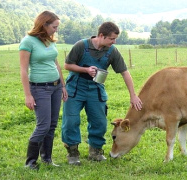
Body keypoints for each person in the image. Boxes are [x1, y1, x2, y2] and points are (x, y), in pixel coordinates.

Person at [61, 22, 142, 165]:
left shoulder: (112, 51)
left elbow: (125, 72)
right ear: (101, 36)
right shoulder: (81, 46)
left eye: (115, 39)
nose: (114, 42)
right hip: (75, 88)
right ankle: (73, 153)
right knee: (71, 121)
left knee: (100, 122)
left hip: (96, 89)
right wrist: (85, 70)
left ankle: (95, 151)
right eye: (111, 39)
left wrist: (133, 95)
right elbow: (67, 65)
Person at [19, 11, 68, 170]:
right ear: (44, 24)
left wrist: (62, 85)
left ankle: (47, 158)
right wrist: (28, 95)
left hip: (55, 87)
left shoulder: (49, 40)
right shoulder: (28, 42)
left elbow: (56, 64)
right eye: (54, 27)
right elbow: (23, 70)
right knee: (43, 125)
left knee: (52, 124)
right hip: (40, 89)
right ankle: (30, 162)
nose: (56, 30)